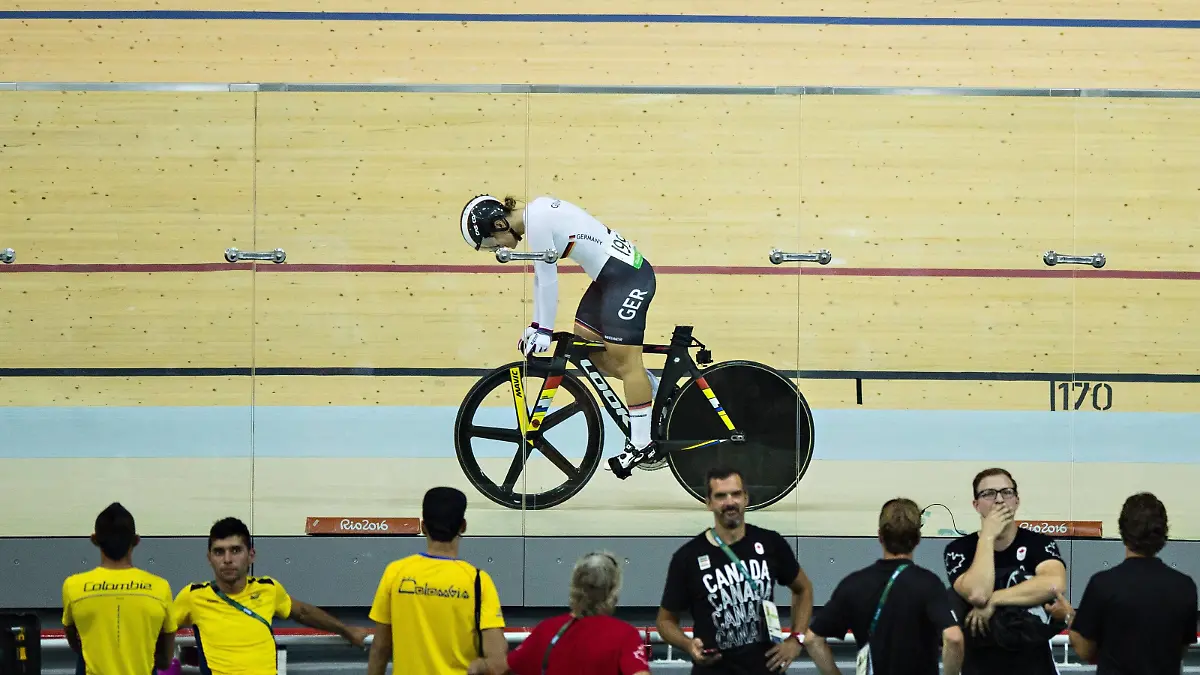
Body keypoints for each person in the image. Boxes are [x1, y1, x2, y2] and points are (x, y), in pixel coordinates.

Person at [460, 194, 662, 478]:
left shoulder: (537, 221)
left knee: (626, 362)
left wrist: (545, 329)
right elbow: (540, 276)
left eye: (491, 242)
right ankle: (658, 400)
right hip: (609, 280)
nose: (497, 248)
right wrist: (537, 325)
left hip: (628, 279)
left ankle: (642, 444)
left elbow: (548, 278)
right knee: (589, 349)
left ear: (499, 223)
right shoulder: (536, 216)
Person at [657, 466, 814, 674]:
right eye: (720, 496)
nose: (730, 502)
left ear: (746, 498)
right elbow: (665, 621)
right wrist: (688, 645)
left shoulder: (771, 543)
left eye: (736, 494)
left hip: (766, 669)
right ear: (708, 502)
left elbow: (804, 589)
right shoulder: (687, 557)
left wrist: (796, 639)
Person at [172, 517, 367, 675]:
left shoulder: (268, 589)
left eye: (236, 550)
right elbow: (161, 628)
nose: (228, 559)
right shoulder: (193, 595)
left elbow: (303, 612)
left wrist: (346, 631)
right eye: (219, 552)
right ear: (209, 558)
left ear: (251, 555)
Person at [804, 498, 964, 675]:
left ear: (880, 536)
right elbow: (954, 638)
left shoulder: (853, 584)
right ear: (917, 538)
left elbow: (812, 639)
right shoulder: (929, 584)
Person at [1051, 492, 1197, 674]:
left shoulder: (1103, 584)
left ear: (1123, 531)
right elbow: (1181, 650)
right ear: (1163, 533)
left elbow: (1084, 651)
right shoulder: (1185, 587)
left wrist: (1068, 616)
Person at [367, 486, 508, 675]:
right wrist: (480, 665)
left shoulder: (395, 573)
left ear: (423, 526)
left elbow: (380, 649)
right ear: (463, 526)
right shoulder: (478, 581)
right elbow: (498, 662)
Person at [943, 468, 1067, 675]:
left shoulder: (1039, 544)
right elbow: (978, 593)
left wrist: (995, 599)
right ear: (976, 505)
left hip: (1034, 667)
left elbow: (1055, 584)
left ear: (1016, 501)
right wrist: (988, 536)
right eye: (989, 494)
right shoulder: (959, 550)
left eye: (1006, 492)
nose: (999, 500)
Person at [473, 551, 651, 675]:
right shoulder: (625, 636)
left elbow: (499, 668)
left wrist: (473, 665)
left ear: (574, 586)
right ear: (613, 591)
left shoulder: (547, 631)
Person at [61, 502, 177, 675]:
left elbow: (74, 639)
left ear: (94, 539)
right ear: (136, 540)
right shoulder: (160, 587)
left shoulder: (73, 586)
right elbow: (165, 660)